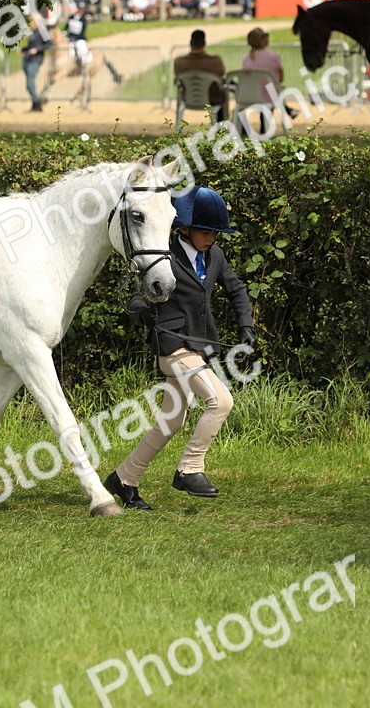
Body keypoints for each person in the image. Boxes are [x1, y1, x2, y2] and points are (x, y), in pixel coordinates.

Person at [103, 186, 254, 509]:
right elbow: (135, 296)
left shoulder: (215, 256)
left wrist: (246, 326)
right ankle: (190, 469)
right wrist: (142, 311)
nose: (210, 238)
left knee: (171, 420)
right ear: (183, 228)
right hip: (172, 347)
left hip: (197, 347)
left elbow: (236, 290)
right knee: (220, 400)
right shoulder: (165, 253)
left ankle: (124, 479)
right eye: (204, 231)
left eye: (215, 232)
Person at [240, 27, 296, 132]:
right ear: (262, 40)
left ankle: (257, 130)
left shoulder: (246, 58)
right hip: (270, 96)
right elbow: (280, 79)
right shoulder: (274, 56)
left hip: (250, 96)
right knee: (273, 93)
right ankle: (266, 129)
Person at [174, 29, 227, 120]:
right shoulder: (215, 61)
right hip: (212, 99)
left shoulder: (179, 63)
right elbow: (221, 74)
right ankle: (220, 128)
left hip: (188, 98)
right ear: (204, 43)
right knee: (223, 91)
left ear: (190, 43)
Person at [22, 17, 50, 112]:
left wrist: (37, 49)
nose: (29, 24)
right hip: (27, 59)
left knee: (30, 84)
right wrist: (23, 50)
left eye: (31, 22)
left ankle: (38, 102)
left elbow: (48, 44)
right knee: (30, 85)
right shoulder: (32, 33)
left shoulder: (42, 32)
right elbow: (30, 47)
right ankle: (35, 106)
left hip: (35, 60)